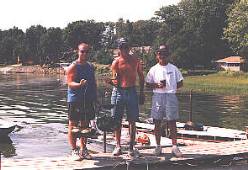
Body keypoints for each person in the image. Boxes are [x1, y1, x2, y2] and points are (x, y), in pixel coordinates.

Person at [106, 37, 145, 157]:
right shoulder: (116, 62)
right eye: (122, 47)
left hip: (132, 91)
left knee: (132, 120)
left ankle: (131, 147)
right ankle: (118, 146)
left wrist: (142, 92)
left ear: (129, 48)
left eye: (126, 47)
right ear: (119, 49)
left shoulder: (135, 60)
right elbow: (115, 80)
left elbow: (141, 76)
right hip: (118, 92)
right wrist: (110, 82)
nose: (124, 49)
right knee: (116, 120)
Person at [145, 45, 183, 157]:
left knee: (172, 121)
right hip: (157, 96)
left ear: (168, 55)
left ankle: (174, 147)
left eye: (165, 54)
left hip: (171, 96)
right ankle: (158, 146)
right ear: (157, 55)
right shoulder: (153, 69)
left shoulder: (174, 68)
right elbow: (147, 84)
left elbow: (180, 82)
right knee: (157, 121)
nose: (163, 56)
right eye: (160, 53)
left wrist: (171, 87)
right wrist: (156, 85)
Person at [67, 42, 97, 161]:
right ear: (78, 52)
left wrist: (96, 97)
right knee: (73, 125)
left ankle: (83, 149)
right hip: (75, 99)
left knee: (85, 125)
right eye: (82, 51)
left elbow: (93, 82)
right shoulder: (73, 66)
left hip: (87, 99)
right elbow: (69, 82)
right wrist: (79, 84)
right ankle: (74, 150)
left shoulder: (90, 66)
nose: (84, 53)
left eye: (86, 51)